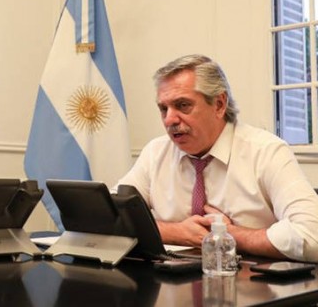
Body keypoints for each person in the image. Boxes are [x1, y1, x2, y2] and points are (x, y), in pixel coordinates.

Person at [114, 54, 318, 261]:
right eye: (163, 108)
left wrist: (229, 235)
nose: (169, 120)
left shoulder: (266, 151)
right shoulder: (155, 152)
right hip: (173, 284)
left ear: (219, 104)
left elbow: (312, 236)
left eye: (183, 105)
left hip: (253, 286)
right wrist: (176, 232)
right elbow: (108, 218)